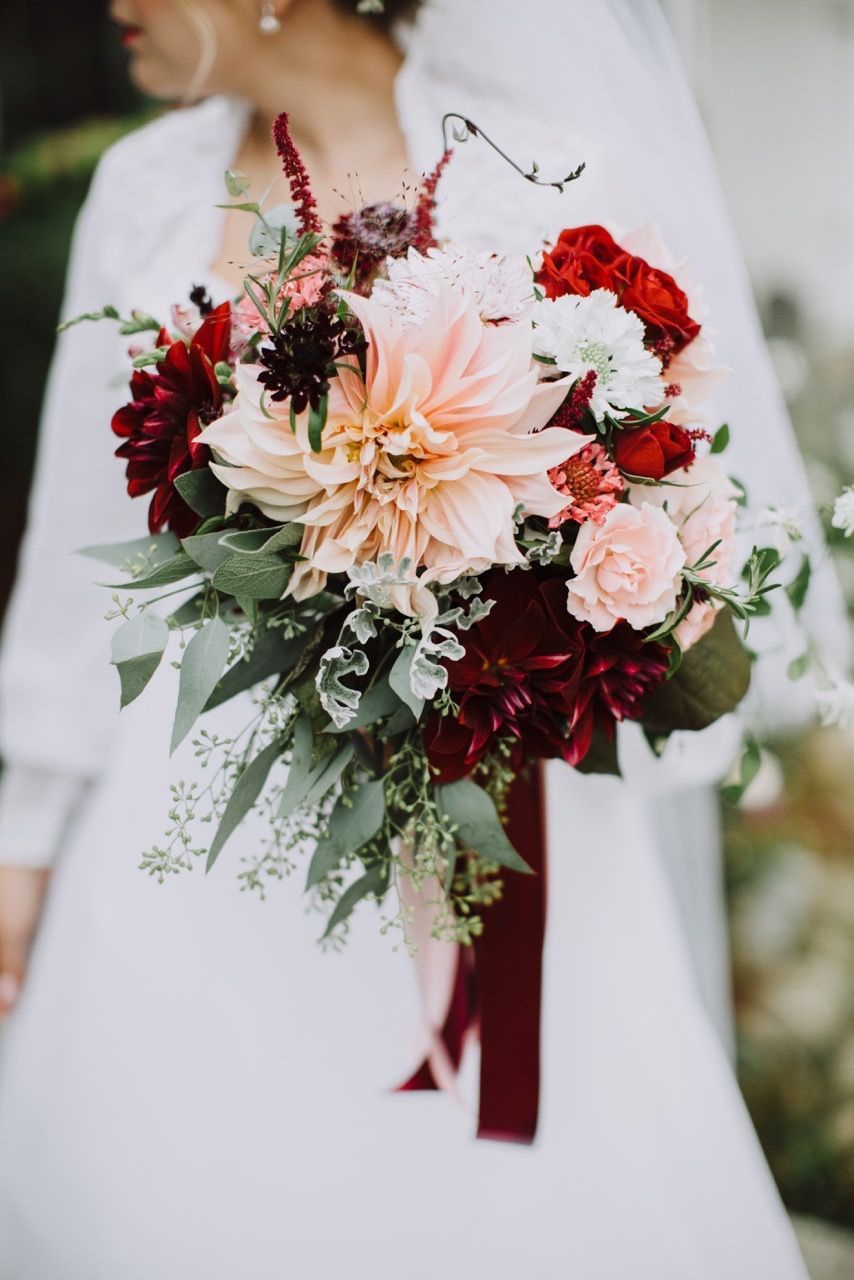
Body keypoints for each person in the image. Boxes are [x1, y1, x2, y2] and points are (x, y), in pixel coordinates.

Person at [0, 1, 840, 1276]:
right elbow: (77, 554)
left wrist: (536, 596)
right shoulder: (143, 189)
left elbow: (664, 485)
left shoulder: (552, 168)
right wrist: (22, 839)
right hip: (183, 816)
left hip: (496, 805)